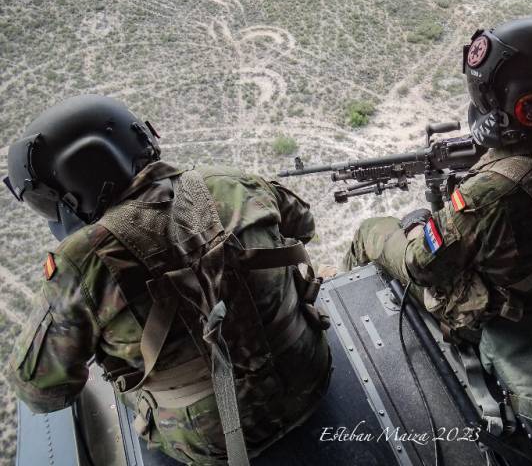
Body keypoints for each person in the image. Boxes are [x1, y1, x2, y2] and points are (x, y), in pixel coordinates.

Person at [4, 95, 331, 465]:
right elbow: (304, 225)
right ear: (140, 139)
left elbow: (41, 392)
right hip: (310, 377)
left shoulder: (80, 262)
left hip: (209, 445)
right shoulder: (230, 182)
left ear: (68, 193)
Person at [342, 18, 532, 338]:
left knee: (374, 230)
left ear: (527, 108)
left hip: (512, 314)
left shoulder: (488, 197)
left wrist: (413, 228)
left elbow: (419, 266)